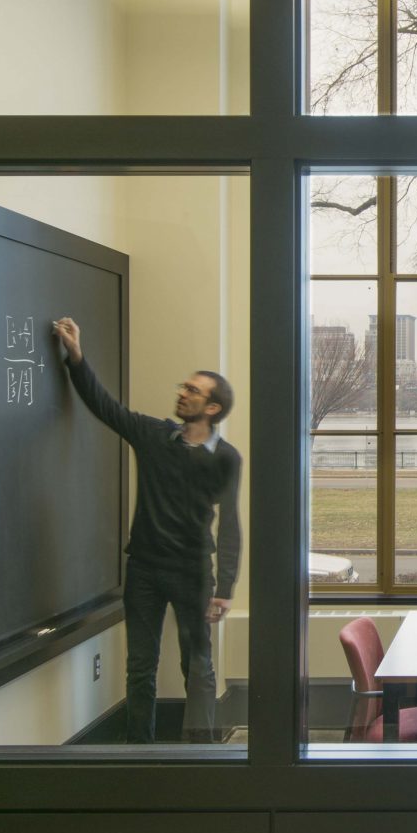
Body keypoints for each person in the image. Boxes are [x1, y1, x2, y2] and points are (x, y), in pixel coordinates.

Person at [49, 317, 240, 744]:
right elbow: (105, 407)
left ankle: (202, 756)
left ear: (211, 408)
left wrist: (224, 586)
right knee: (140, 667)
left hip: (193, 572)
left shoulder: (225, 458)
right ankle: (140, 755)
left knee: (198, 666)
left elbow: (231, 524)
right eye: (183, 386)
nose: (181, 392)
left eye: (192, 390)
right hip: (145, 571)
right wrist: (76, 356)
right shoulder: (154, 435)